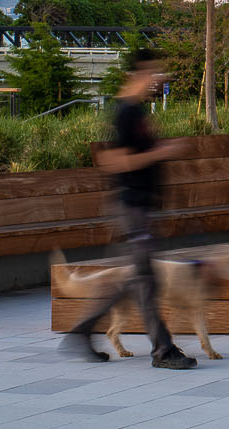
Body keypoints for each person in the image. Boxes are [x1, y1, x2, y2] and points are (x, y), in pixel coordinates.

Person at [62, 50, 200, 370]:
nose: (157, 80)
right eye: (154, 73)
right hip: (131, 206)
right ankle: (163, 351)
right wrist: (162, 151)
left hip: (142, 206)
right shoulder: (124, 113)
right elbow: (116, 161)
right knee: (146, 280)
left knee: (140, 279)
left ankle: (84, 329)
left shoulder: (136, 111)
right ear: (138, 74)